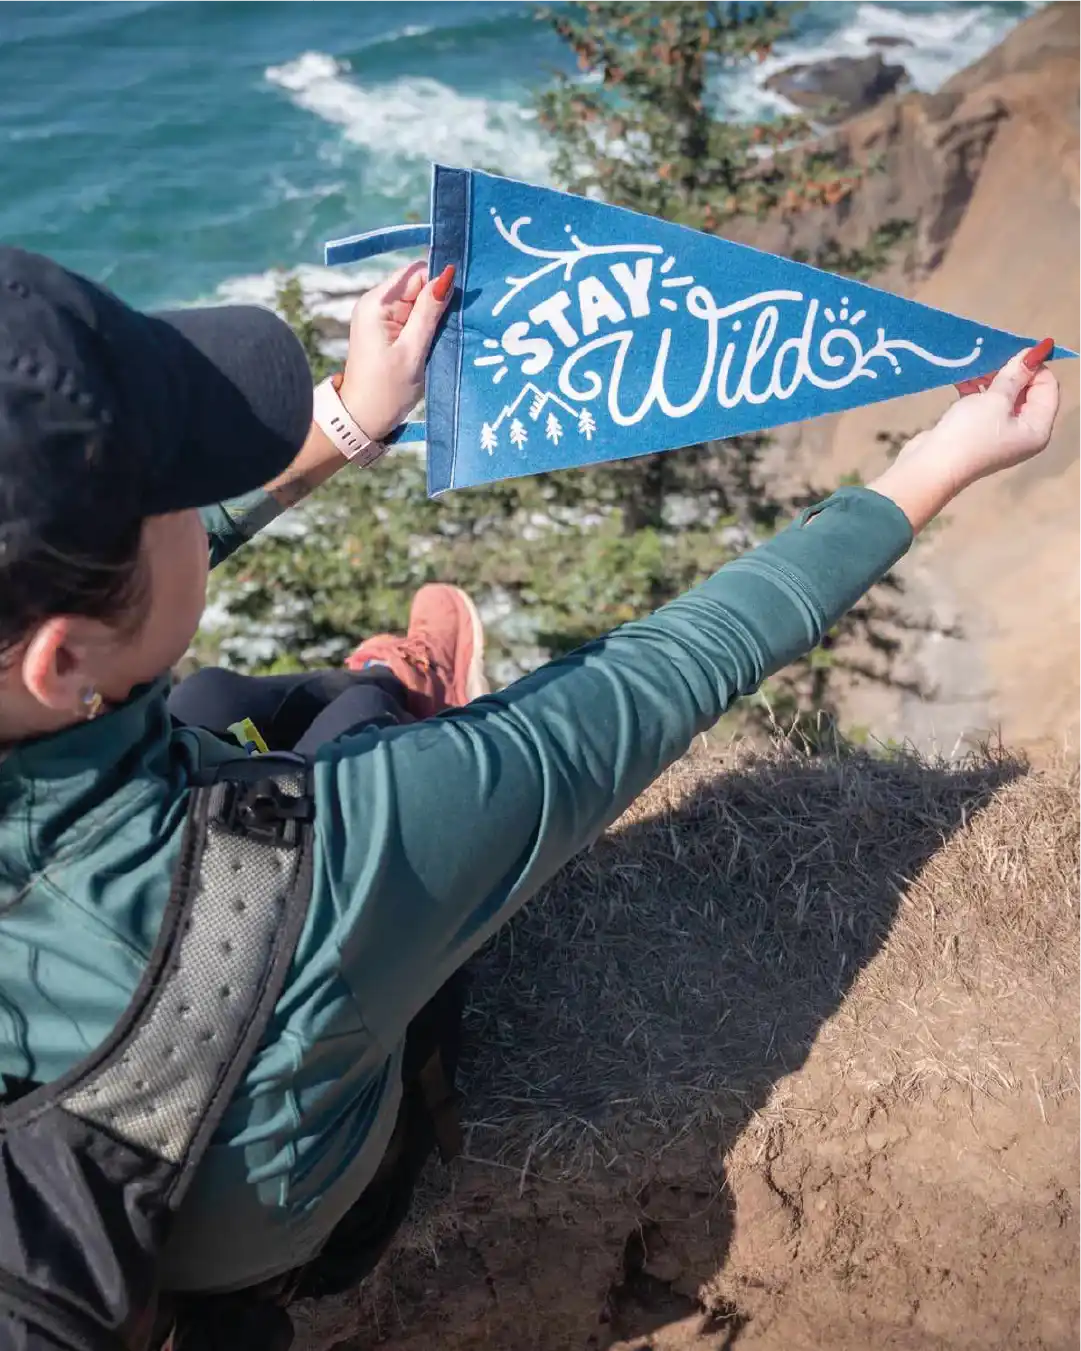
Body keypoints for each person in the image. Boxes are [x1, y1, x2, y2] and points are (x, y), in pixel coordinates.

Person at [0, 242, 1061, 1316]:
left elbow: (90, 612)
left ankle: (367, 694)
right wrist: (935, 464)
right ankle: (397, 698)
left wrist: (348, 421)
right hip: (268, 1239)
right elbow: (659, 677)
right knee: (350, 724)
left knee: (210, 690)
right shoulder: (332, 853)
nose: (199, 499)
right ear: (62, 661)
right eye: (175, 495)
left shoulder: (37, 675)